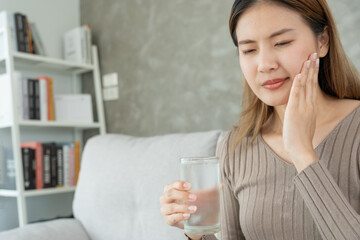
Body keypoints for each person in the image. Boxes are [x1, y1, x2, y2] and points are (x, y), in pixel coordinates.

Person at [160, 0, 360, 239]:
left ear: (323, 40)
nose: (265, 65)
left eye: (282, 43)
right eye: (249, 50)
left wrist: (302, 152)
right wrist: (197, 230)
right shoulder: (236, 146)